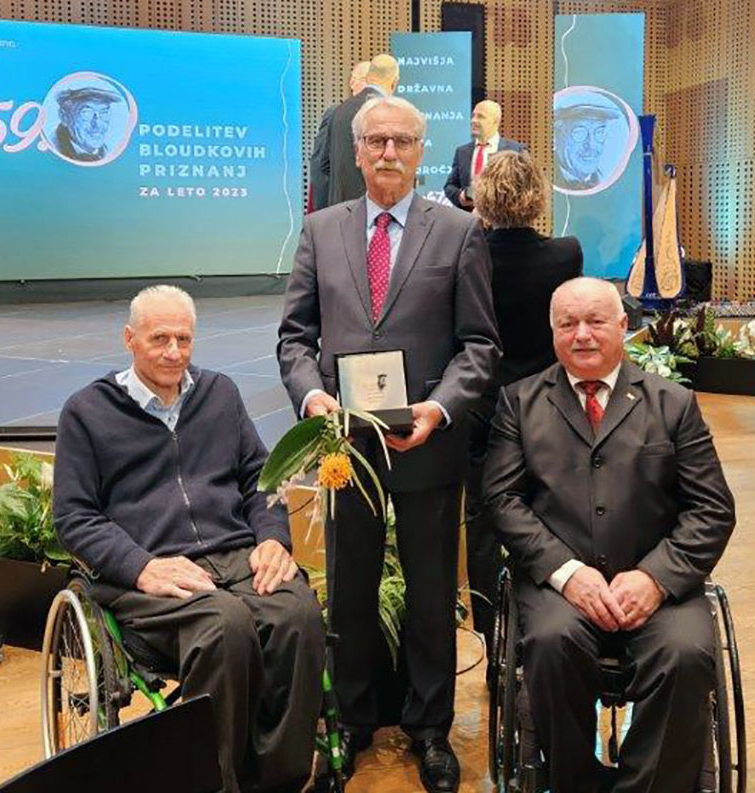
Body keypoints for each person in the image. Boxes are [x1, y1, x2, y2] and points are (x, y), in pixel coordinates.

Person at [277, 96, 501, 793]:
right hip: (345, 450)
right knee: (348, 593)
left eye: (402, 140)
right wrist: (312, 399)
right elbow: (295, 339)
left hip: (426, 443)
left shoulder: (459, 231)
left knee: (432, 594)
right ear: (357, 149)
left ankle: (431, 729)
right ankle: (350, 723)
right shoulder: (321, 231)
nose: (388, 152)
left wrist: (440, 407)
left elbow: (480, 345)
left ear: (420, 149)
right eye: (376, 140)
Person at [53, 285, 325, 793]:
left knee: (298, 616)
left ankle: (278, 780)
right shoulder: (87, 412)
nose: (174, 352)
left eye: (184, 339)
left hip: (235, 553)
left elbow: (260, 476)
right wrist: (141, 567)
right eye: (159, 338)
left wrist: (272, 538)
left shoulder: (219, 393)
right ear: (129, 339)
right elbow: (74, 516)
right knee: (224, 626)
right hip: (149, 572)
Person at [483, 277, 736, 793]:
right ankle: (576, 781)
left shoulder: (672, 403)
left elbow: (712, 508)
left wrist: (655, 578)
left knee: (686, 653)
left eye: (595, 321)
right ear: (552, 331)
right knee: (550, 643)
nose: (582, 334)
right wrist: (567, 573)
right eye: (567, 323)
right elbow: (501, 501)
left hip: (657, 583)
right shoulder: (520, 403)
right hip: (560, 588)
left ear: (623, 325)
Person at [465, 150, 583, 659]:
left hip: (481, 403)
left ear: (484, 197)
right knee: (548, 513)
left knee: (483, 519)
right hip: (546, 405)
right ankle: (546, 624)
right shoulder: (566, 254)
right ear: (537, 197)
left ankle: (492, 637)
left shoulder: (468, 254)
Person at [326, 53, 400, 206]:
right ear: (394, 82)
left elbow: (323, 164)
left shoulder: (339, 111)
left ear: (369, 77)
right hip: (375, 209)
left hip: (341, 208)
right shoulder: (387, 111)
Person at [309, 61, 370, 212]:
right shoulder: (336, 114)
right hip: (343, 209)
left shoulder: (388, 116)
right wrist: (324, 213)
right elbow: (320, 166)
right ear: (352, 82)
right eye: (366, 80)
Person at [444, 100, 524, 210]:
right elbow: (450, 186)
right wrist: (460, 196)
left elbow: (524, 189)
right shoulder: (462, 152)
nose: (473, 120)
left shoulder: (515, 151)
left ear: (495, 121)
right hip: (469, 218)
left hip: (502, 217)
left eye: (480, 116)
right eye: (473, 116)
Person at [553, 103, 619, 190]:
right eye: (579, 133)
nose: (591, 145)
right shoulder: (544, 176)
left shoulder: (604, 180)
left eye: (599, 132)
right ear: (555, 136)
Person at [53, 86, 120, 162]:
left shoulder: (110, 152)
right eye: (86, 113)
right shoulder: (54, 148)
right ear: (64, 117)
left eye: (104, 113)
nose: (97, 124)